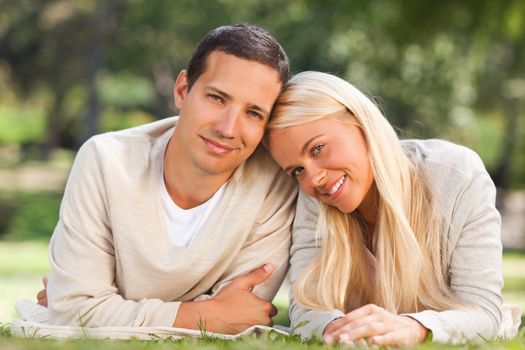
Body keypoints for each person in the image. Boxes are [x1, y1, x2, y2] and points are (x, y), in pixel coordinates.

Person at [33, 24, 297, 335]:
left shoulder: (276, 186)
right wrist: (199, 314)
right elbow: (75, 311)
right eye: (217, 98)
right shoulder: (105, 161)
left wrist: (104, 307)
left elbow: (238, 317)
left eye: (253, 113)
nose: (228, 128)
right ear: (182, 90)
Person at [266, 71, 519, 345]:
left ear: (360, 123)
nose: (313, 179)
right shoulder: (315, 201)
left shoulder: (457, 176)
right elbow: (306, 309)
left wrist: (415, 328)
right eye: (297, 170)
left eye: (317, 149)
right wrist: (337, 329)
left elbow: (483, 311)